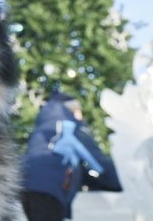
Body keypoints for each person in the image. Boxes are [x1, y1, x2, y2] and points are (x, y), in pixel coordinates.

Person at [21, 91, 122, 221]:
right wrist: (123, 183)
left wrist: (106, 186)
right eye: (80, 112)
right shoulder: (69, 125)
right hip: (49, 191)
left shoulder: (48, 127)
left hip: (30, 186)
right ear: (74, 110)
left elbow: (79, 170)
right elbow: (97, 163)